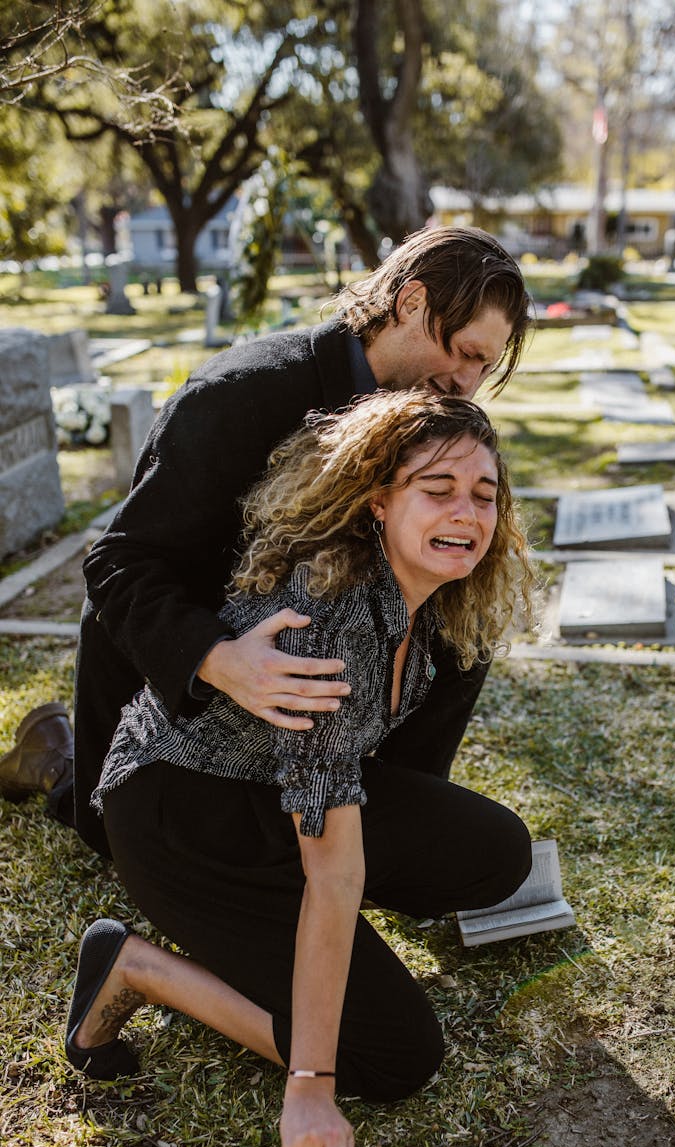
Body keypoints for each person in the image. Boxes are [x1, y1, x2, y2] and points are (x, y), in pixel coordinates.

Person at [65, 390, 535, 1147]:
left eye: (484, 495)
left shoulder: (419, 596)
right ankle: (135, 966)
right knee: (395, 1056)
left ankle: (296, 943)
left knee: (496, 853)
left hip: (266, 795)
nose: (468, 512)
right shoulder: (330, 630)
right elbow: (333, 872)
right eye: (439, 489)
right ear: (378, 502)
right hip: (182, 821)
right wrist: (310, 1086)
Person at [0, 226, 530, 859]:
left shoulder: (433, 419)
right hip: (184, 686)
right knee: (112, 835)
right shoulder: (242, 395)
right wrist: (220, 659)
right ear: (410, 303)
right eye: (465, 353)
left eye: (485, 366)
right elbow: (119, 563)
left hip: (314, 684)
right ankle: (53, 755)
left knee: (463, 618)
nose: (468, 382)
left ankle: (392, 815)